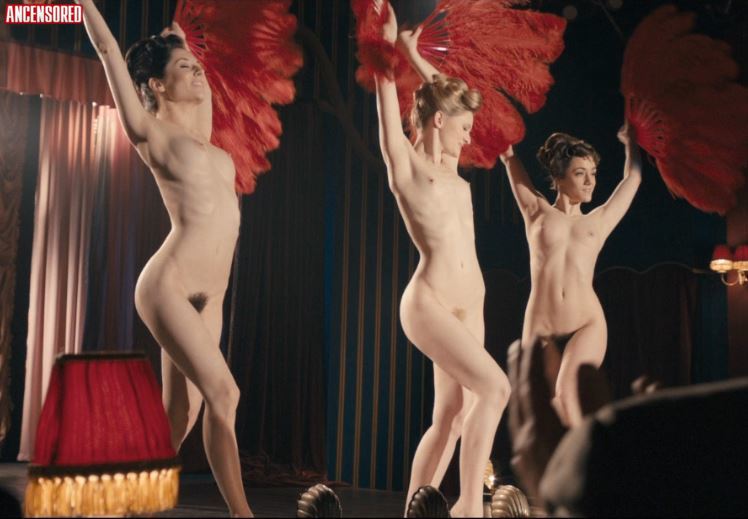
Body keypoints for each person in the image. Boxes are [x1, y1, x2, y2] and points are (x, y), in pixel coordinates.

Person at [76, 1, 251, 515]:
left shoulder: (205, 136)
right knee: (225, 395)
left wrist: (184, 45)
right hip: (168, 287)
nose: (197, 73)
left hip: (211, 297)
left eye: (196, 67)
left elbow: (204, 82)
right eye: (184, 68)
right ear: (155, 85)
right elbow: (107, 48)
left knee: (179, 417)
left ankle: (120, 506)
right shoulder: (150, 132)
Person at [373, 3, 510, 516]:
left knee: (451, 417)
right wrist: (386, 51)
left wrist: (413, 53)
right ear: (437, 122)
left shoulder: (454, 170)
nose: (470, 134)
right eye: (464, 126)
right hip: (428, 301)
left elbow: (443, 95)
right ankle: (470, 506)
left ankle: (415, 511)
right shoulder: (409, 168)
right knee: (495, 387)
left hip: (470, 304)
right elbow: (391, 122)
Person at [501, 125, 641, 427]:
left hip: (586, 323)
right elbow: (509, 157)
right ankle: (571, 454)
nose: (591, 181)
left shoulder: (598, 221)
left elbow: (633, 178)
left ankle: (583, 455)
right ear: (559, 176)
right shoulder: (537, 211)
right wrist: (498, 133)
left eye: (593, 173)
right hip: (541, 326)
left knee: (567, 397)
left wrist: (631, 143)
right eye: (580, 173)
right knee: (538, 412)